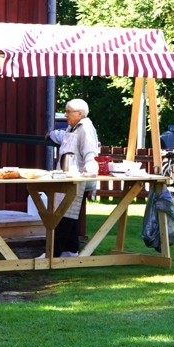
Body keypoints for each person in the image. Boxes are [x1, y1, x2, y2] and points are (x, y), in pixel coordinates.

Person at [45, 98, 101, 257]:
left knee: (64, 215)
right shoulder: (73, 127)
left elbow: (90, 151)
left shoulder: (85, 128)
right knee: (70, 215)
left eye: (68, 111)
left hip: (79, 179)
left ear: (80, 113)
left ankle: (52, 253)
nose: (66, 114)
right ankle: (71, 251)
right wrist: (52, 134)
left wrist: (89, 168)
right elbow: (64, 137)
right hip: (68, 178)